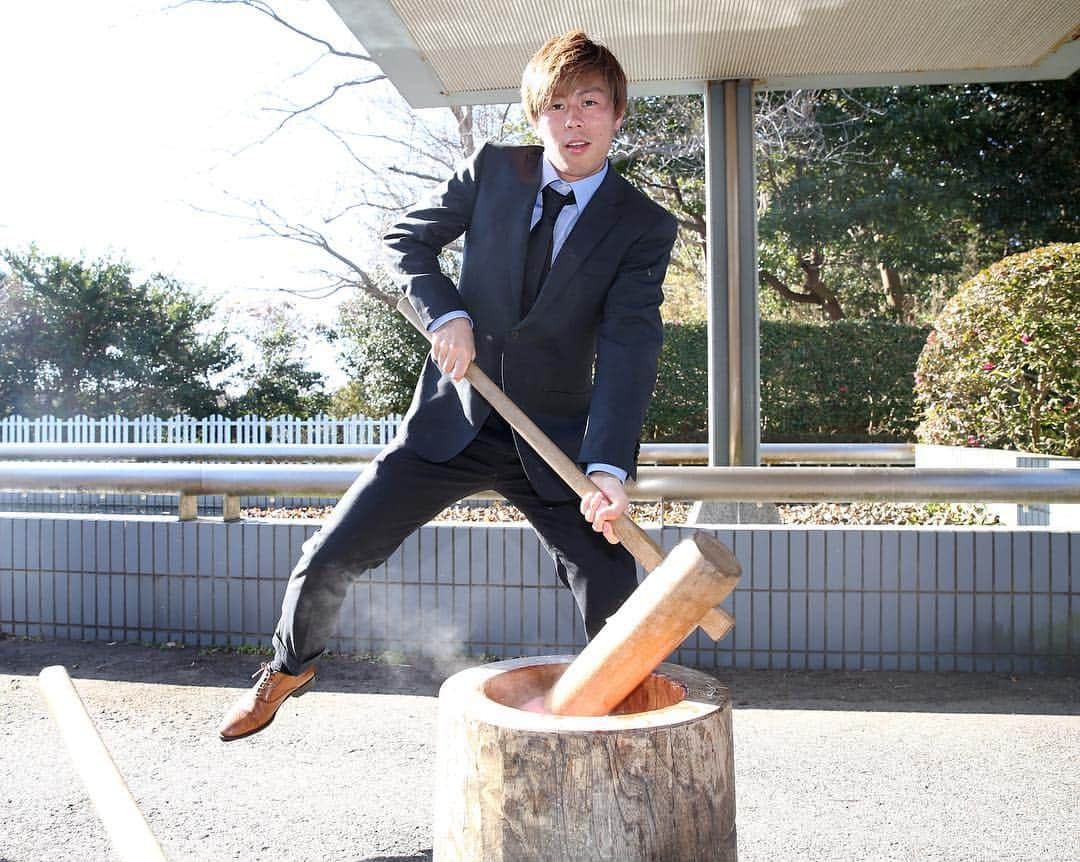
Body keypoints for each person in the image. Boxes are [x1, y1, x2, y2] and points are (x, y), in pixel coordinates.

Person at [218, 29, 677, 741]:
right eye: (556, 105)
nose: (573, 120)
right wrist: (449, 312)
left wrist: (610, 467)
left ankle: (608, 719)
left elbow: (629, 344)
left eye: (590, 103)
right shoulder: (494, 170)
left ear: (618, 114)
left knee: (612, 579)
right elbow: (407, 238)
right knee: (331, 554)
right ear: (535, 117)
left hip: (550, 440)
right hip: (450, 422)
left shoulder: (642, 225)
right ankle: (288, 667)